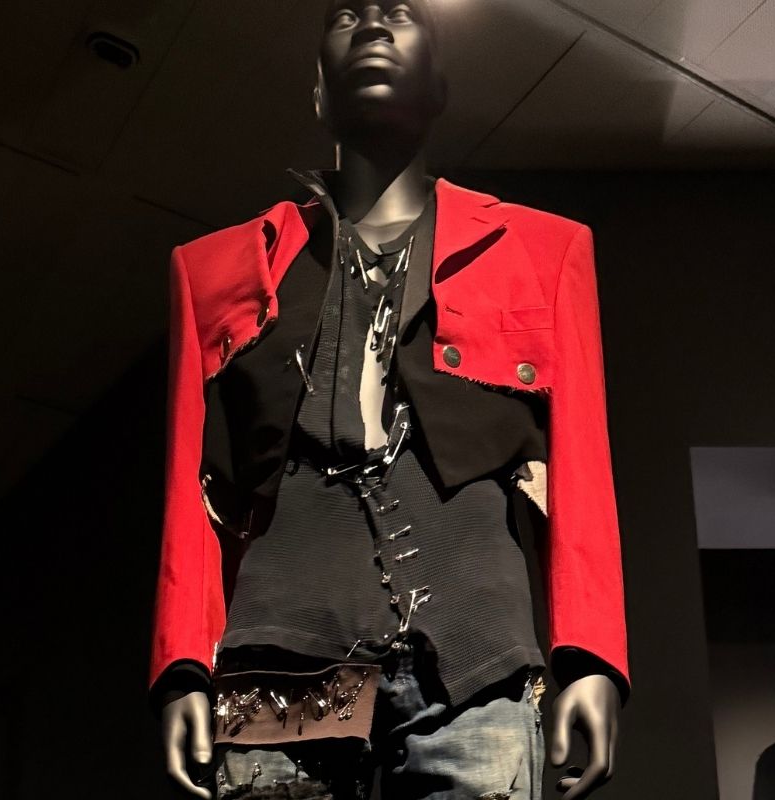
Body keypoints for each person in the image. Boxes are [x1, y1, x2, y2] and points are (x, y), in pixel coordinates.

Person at [151, 2, 629, 797]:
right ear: (316, 90)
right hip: (276, 668)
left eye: (402, 14)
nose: (373, 21)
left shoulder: (546, 253)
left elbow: (583, 466)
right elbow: (187, 487)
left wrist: (590, 653)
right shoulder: (214, 271)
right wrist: (179, 664)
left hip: (476, 669)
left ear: (440, 85)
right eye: (347, 15)